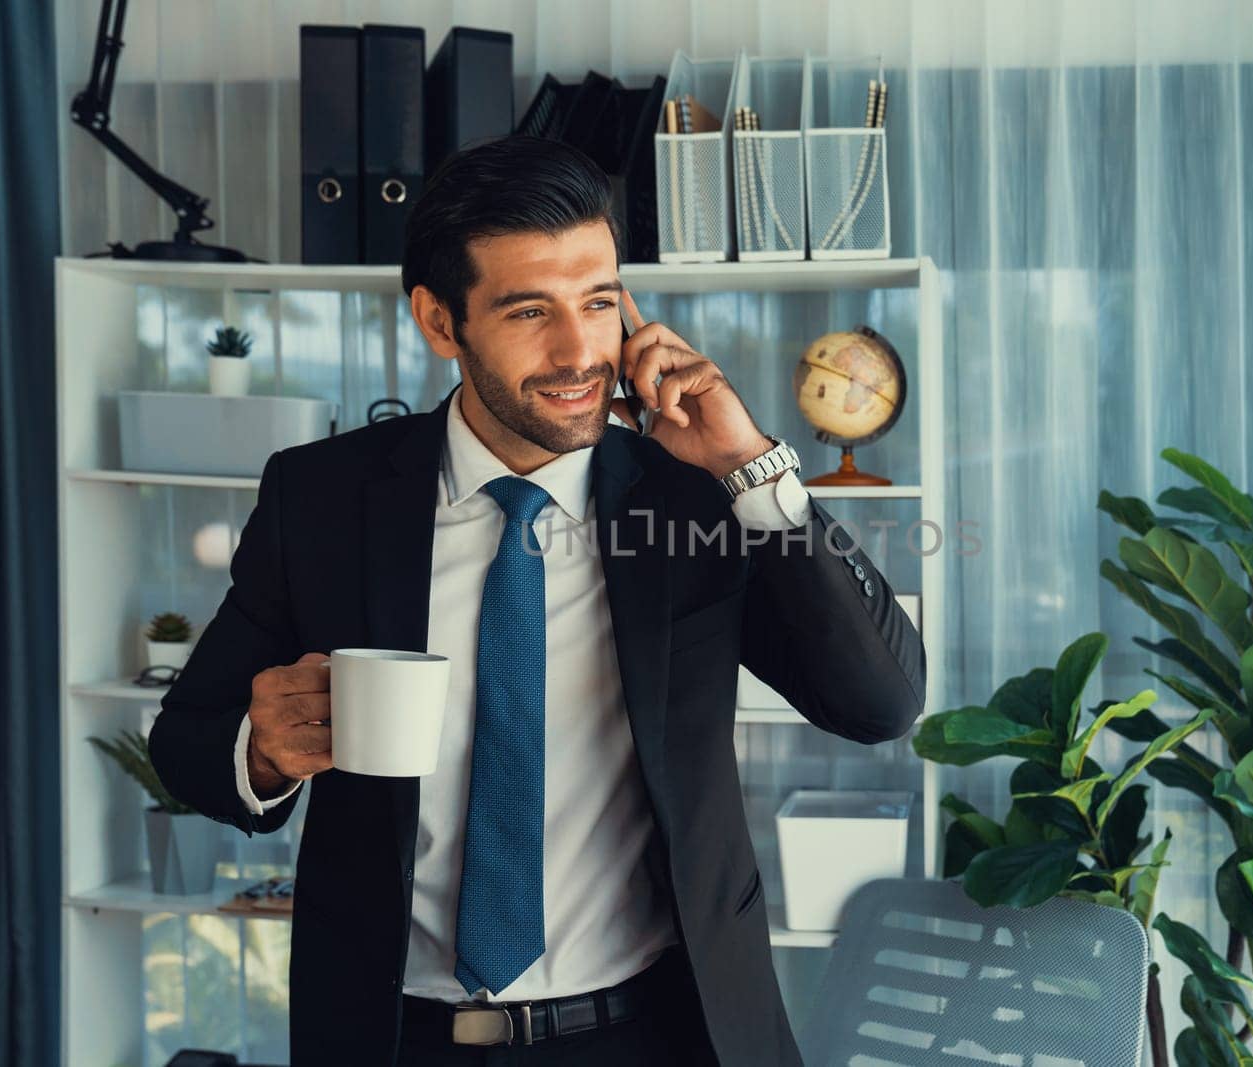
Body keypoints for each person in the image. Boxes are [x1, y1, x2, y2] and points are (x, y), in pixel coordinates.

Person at [148, 136, 926, 1067]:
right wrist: (261, 752)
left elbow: (879, 701)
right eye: (529, 311)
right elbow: (188, 740)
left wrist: (751, 466)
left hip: (663, 1034)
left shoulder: (691, 494)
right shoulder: (319, 498)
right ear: (441, 322)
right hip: (395, 1038)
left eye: (599, 302)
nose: (577, 352)